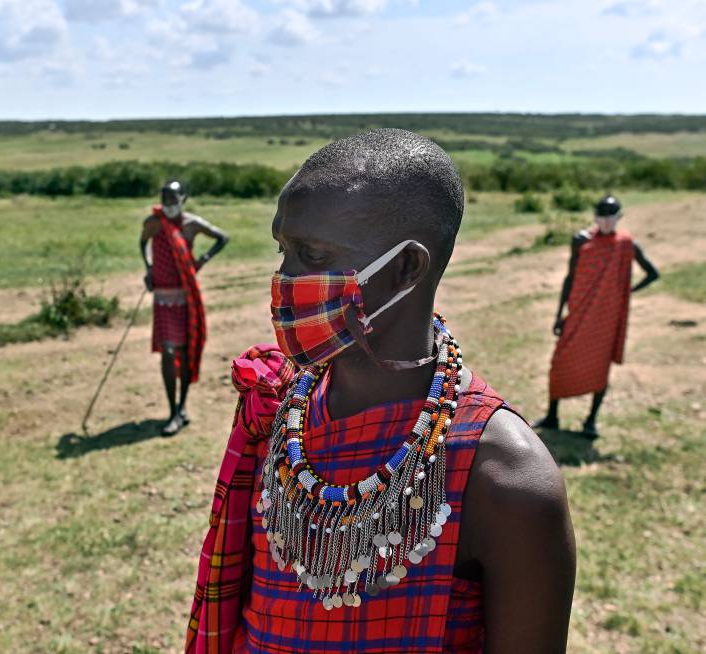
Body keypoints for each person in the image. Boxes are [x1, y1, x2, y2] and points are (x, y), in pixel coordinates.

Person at [186, 130, 576, 653]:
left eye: (313, 255)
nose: (284, 279)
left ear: (405, 269)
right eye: (283, 251)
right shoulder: (282, 412)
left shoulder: (505, 479)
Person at [535, 194, 658, 439]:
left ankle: (590, 421)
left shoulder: (626, 245)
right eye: (600, 217)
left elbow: (652, 273)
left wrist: (625, 293)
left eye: (610, 217)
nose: (605, 222)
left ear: (618, 218)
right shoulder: (581, 240)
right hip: (578, 312)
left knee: (600, 368)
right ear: (595, 217)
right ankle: (552, 416)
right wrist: (560, 313)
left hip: (606, 318)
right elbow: (570, 278)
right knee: (560, 362)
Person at [140, 181, 228, 436]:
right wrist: (149, 269)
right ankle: (172, 412)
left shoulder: (192, 224)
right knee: (168, 351)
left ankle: (182, 407)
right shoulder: (153, 223)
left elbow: (223, 237)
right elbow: (142, 243)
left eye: (172, 198)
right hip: (163, 299)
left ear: (183, 198)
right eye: (163, 197)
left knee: (186, 351)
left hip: (186, 297)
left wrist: (203, 260)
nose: (167, 203)